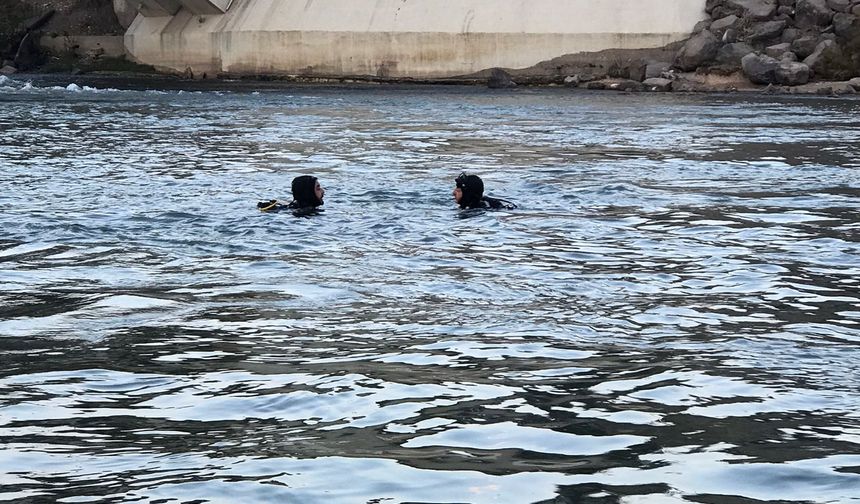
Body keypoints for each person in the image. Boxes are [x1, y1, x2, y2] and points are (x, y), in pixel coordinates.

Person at [258, 175, 325, 213]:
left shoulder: (292, 206)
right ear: (309, 193)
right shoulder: (307, 211)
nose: (323, 191)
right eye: (318, 188)